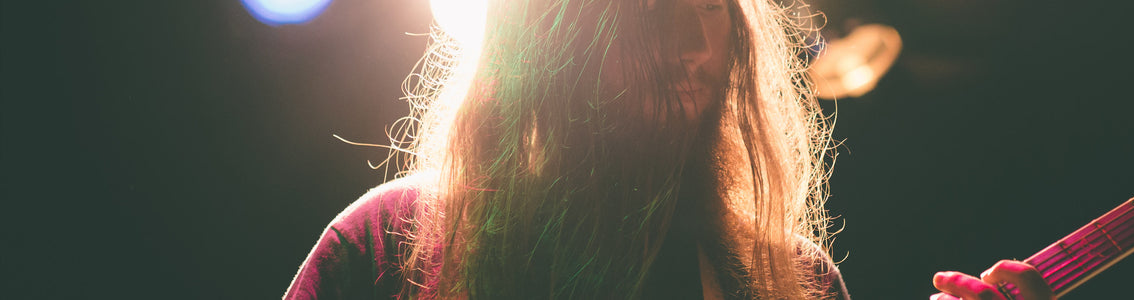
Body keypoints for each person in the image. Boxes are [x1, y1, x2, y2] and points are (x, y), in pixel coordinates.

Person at [284, 0, 1055, 299]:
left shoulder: (790, 281)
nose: (691, 44)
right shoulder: (390, 243)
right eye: (652, 10)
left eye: (710, 6)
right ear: (557, 35)